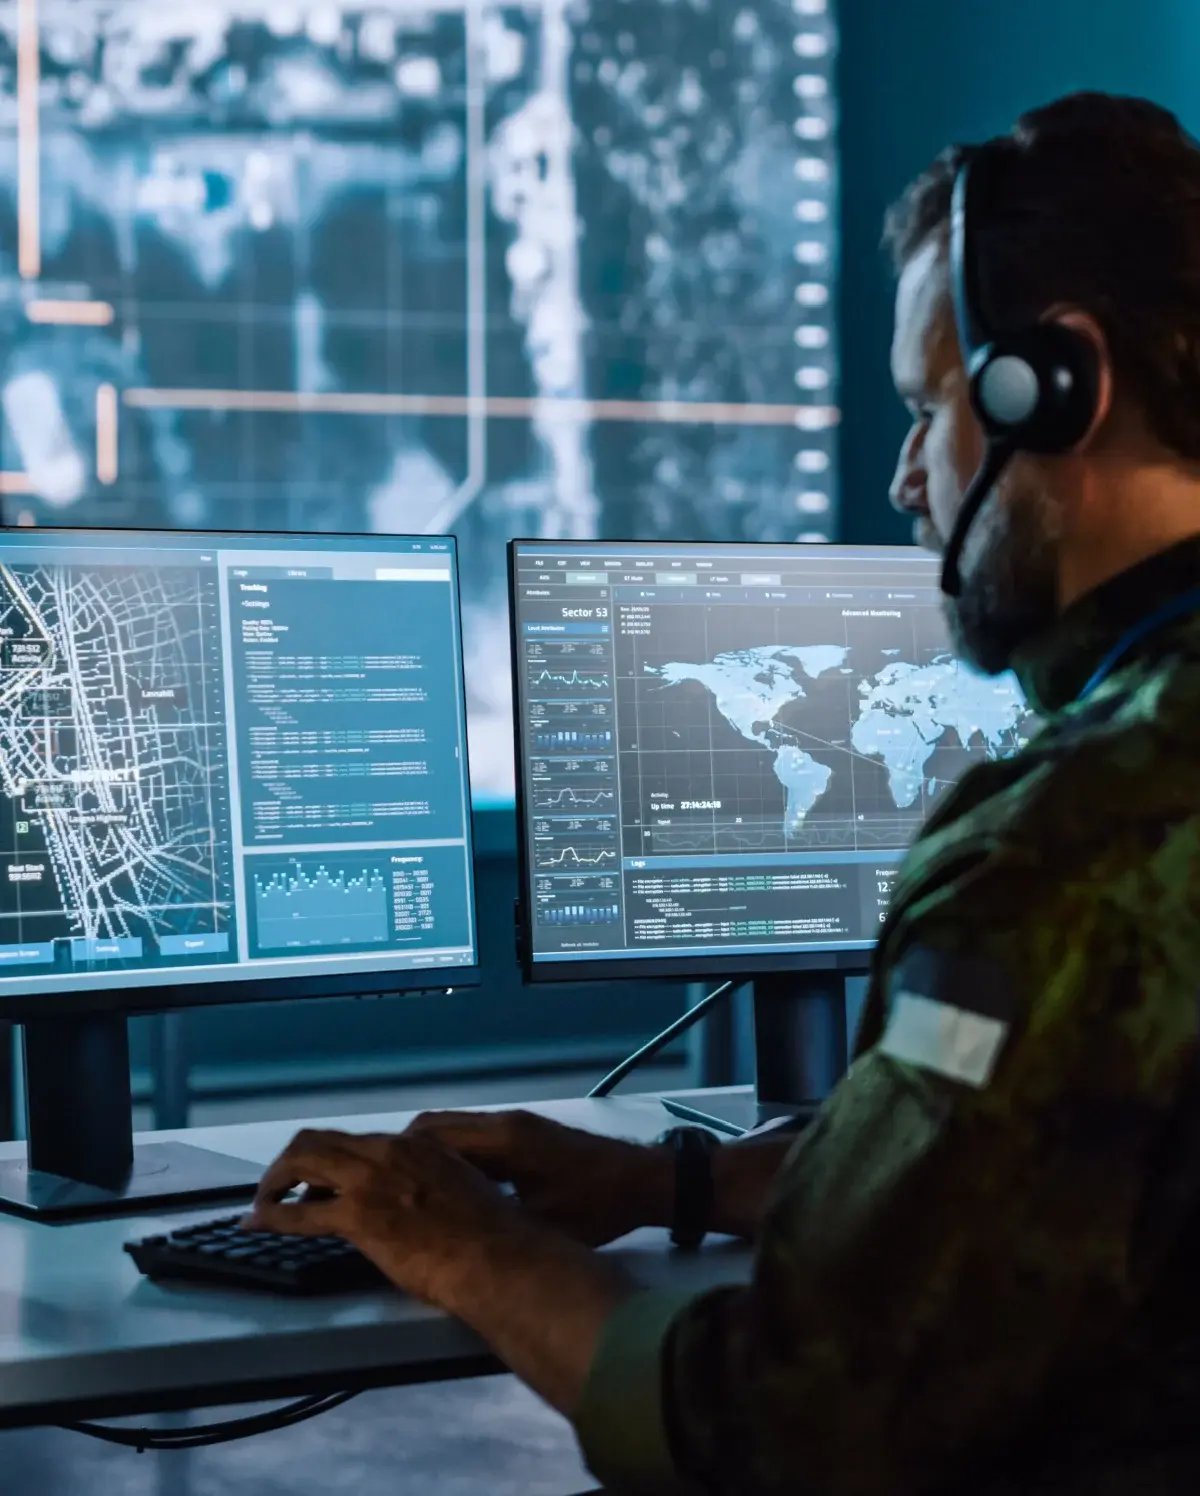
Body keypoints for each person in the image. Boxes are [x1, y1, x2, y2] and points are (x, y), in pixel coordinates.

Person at [244, 92, 1200, 1494]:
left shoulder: (1070, 853)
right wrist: (665, 1184)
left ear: (1057, 384)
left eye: (928, 407)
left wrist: (459, 1239)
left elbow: (779, 1433)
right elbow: (1082, 1162)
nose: (906, 478)